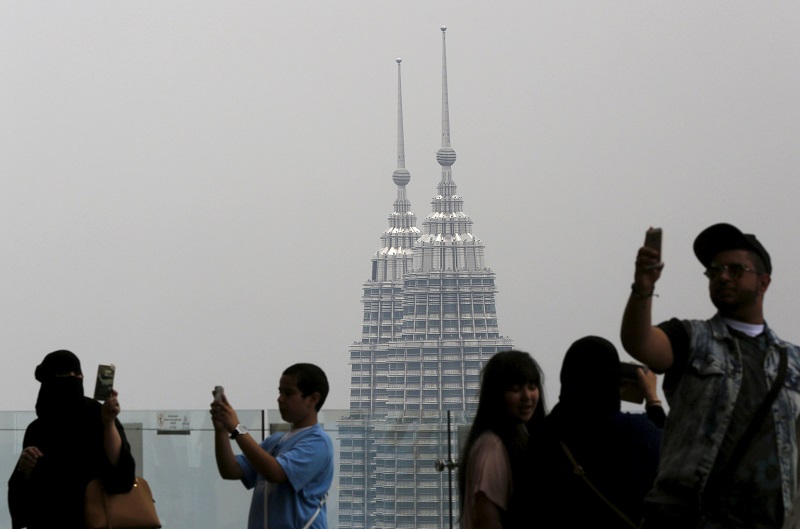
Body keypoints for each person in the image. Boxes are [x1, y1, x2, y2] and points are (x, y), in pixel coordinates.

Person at [621, 223, 800, 528]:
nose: (723, 277)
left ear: (763, 282)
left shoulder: (794, 362)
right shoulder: (690, 337)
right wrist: (644, 287)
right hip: (689, 519)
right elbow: (641, 343)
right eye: (714, 270)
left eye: (735, 269)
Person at [531, 336, 662, 528]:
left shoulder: (543, 435)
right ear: (615, 381)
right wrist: (653, 399)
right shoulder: (636, 433)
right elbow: (672, 456)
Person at [7, 350, 136, 529]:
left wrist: (108, 423)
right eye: (63, 375)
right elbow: (25, 491)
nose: (73, 379)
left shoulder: (97, 415)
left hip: (94, 521)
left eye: (77, 374)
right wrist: (24, 467)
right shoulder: (37, 429)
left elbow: (121, 474)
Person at [211, 363, 334, 529]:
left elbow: (275, 472)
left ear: (313, 399)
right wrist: (221, 430)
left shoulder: (318, 442)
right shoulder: (275, 441)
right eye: (280, 392)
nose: (280, 398)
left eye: (288, 393)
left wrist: (237, 428)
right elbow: (230, 470)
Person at [457, 350, 546, 529]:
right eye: (515, 388)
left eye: (532, 386)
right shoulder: (492, 447)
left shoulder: (519, 436)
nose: (527, 396)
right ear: (496, 394)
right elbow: (487, 521)